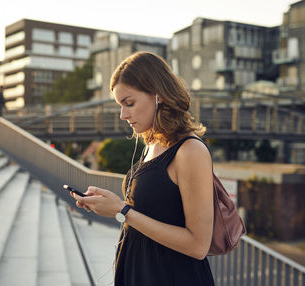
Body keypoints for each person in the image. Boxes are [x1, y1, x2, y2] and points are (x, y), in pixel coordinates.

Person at [71, 52, 215, 285]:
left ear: (158, 96)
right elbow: (154, 210)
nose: (123, 114)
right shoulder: (152, 143)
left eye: (129, 103)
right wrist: (111, 204)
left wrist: (123, 211)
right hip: (140, 271)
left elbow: (198, 246)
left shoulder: (190, 151)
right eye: (120, 105)